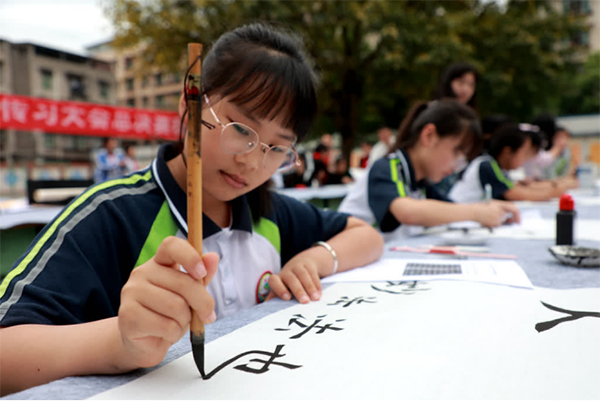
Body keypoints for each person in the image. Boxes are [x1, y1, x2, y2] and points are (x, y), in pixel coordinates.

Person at [0, 23, 384, 395]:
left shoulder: (268, 210)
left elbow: (366, 236)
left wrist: (317, 259)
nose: (253, 163)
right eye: (240, 129)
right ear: (190, 102)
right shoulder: (110, 215)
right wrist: (119, 342)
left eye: (277, 148)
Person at [338, 99, 520, 240]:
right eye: (456, 152)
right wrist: (477, 212)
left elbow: (452, 209)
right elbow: (407, 211)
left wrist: (489, 208)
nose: (457, 165)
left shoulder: (422, 182)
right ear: (429, 136)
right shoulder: (387, 167)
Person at [449, 124, 575, 203]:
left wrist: (553, 187)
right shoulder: (486, 165)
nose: (525, 158)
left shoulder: (498, 168)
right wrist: (552, 192)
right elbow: (515, 194)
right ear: (507, 152)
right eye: (524, 153)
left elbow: (519, 187)